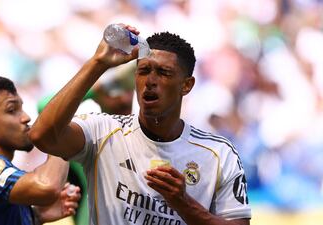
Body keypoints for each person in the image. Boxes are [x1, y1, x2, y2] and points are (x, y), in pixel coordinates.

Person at [29, 24, 251, 225]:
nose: (150, 81)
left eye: (163, 73)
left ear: (187, 85)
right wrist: (98, 64)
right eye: (143, 71)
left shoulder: (219, 153)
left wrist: (183, 203)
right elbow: (41, 135)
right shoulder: (102, 132)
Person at [0, 75, 81, 225]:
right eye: (12, 110)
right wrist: (56, 133)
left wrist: (35, 216)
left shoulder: (3, 190)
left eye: (22, 108)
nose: (26, 117)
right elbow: (46, 186)